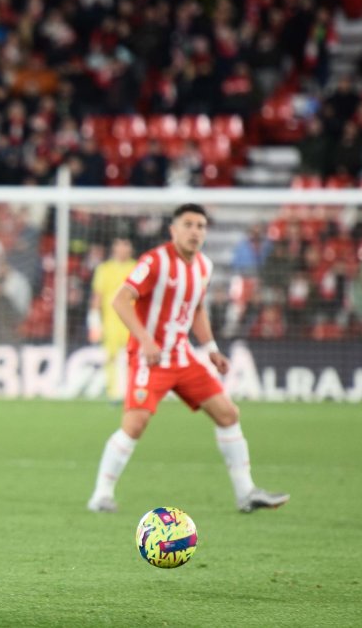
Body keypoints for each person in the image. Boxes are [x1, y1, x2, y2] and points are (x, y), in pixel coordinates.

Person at [86, 204, 289, 514]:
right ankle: (101, 495)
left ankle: (246, 493)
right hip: (149, 358)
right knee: (135, 423)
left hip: (181, 357)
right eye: (189, 224)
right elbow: (120, 299)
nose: (195, 231)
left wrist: (210, 349)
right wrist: (145, 339)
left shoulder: (204, 266)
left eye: (201, 226)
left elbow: (196, 308)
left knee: (228, 414)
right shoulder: (154, 261)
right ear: (173, 229)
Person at [88, 237, 137, 404]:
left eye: (126, 244)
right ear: (114, 248)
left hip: (133, 319)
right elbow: (97, 296)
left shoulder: (137, 268)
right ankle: (114, 393)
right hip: (111, 321)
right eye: (119, 244)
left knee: (134, 357)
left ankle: (133, 392)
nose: (122, 248)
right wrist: (94, 322)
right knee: (111, 357)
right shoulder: (104, 269)